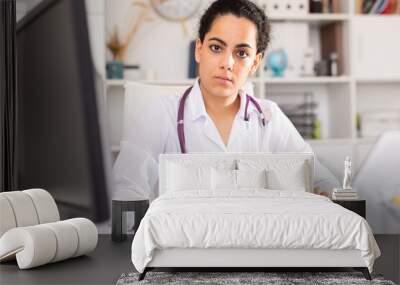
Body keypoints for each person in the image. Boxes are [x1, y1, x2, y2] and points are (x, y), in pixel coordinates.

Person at [112, 0, 339, 201]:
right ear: (199, 50)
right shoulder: (160, 114)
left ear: (255, 63)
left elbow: (320, 178)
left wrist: (326, 195)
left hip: (253, 241)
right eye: (216, 48)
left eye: (241, 53)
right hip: (181, 244)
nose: (228, 63)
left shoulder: (269, 117)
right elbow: (126, 191)